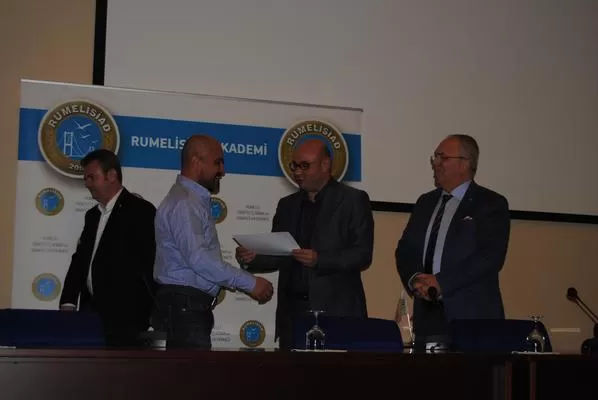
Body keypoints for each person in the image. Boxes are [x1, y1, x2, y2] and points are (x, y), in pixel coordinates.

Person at [236, 139, 374, 350]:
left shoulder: (353, 200)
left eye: (305, 166)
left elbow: (362, 254)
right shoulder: (287, 205)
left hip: (337, 314)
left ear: (325, 164)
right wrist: (253, 258)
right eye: (294, 166)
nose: (298, 172)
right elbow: (279, 254)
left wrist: (320, 259)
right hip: (293, 316)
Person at [152, 134, 274, 349]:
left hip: (185, 307)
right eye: (218, 162)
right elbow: (199, 259)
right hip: (186, 308)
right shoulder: (185, 202)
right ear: (196, 162)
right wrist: (251, 283)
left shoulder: (189, 199)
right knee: (191, 371)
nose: (223, 171)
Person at [395, 134, 510, 349]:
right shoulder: (426, 202)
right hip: (428, 318)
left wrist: (441, 282)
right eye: (435, 157)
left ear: (465, 163)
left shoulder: (491, 204)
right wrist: (415, 279)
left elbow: (490, 256)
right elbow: (405, 249)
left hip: (473, 320)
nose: (435, 163)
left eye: (443, 157)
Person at [59, 149, 157, 348]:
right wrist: (68, 301)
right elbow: (80, 261)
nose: (87, 184)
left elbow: (149, 264)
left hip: (127, 320)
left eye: (91, 177)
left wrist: (152, 314)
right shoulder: (92, 216)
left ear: (112, 175)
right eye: (85, 179)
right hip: (91, 316)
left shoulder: (141, 211)